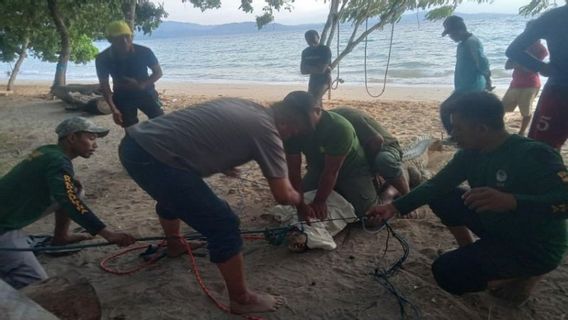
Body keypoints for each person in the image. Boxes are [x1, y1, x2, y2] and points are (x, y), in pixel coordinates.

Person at [367, 92, 568, 303]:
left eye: (458, 128)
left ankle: (522, 275)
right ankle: (469, 249)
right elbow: (436, 185)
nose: (453, 134)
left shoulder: (534, 154)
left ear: (481, 129)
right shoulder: (470, 154)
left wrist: (512, 201)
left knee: (447, 273)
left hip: (534, 246)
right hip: (498, 227)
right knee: (442, 195)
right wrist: (394, 207)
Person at [119, 97, 306, 314]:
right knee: (224, 224)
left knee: (173, 196)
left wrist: (223, 163)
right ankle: (241, 299)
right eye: (293, 132)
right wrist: (303, 201)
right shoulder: (267, 129)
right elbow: (283, 195)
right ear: (284, 123)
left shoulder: (248, 106)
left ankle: (175, 244)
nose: (289, 138)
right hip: (153, 158)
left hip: (136, 143)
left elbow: (206, 132)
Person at [0, 117, 136, 289]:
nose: (95, 145)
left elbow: (67, 193)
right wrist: (108, 234)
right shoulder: (59, 161)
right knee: (38, 287)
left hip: (7, 213)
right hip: (3, 227)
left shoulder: (48, 151)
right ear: (72, 138)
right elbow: (69, 201)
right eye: (91, 138)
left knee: (76, 190)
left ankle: (61, 238)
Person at [283, 92, 378, 222]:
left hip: (352, 169)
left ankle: (387, 188)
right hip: (318, 168)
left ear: (317, 111)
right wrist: (301, 206)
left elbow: (331, 172)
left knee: (366, 216)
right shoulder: (291, 130)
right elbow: (293, 172)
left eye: (301, 120)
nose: (297, 126)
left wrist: (319, 202)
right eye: (291, 120)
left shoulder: (338, 128)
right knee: (292, 202)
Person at [506, 3, 568, 149]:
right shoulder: (553, 17)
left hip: (559, 90)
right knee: (541, 148)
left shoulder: (553, 17)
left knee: (542, 148)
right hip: (559, 92)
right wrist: (541, 67)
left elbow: (514, 50)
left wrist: (541, 67)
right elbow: (513, 50)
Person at [331, 107, 410, 200]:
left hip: (385, 147)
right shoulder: (324, 124)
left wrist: (373, 171)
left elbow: (377, 140)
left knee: (383, 160)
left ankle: (408, 197)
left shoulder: (345, 120)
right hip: (362, 151)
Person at [96, 20, 164, 128]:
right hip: (122, 97)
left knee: (161, 122)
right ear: (110, 40)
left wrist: (142, 85)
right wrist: (114, 109)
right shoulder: (103, 58)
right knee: (131, 129)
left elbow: (158, 72)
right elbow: (105, 86)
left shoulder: (144, 52)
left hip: (147, 93)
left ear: (131, 36)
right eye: (118, 38)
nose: (124, 41)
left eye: (127, 36)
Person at [440, 15, 492, 133]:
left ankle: (454, 136)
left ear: (460, 29)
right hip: (463, 87)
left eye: (451, 33)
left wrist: (488, 81)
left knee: (445, 109)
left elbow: (483, 63)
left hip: (471, 87)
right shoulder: (463, 44)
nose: (451, 36)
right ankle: (463, 134)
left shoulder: (471, 43)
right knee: (462, 113)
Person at [502, 24, 548, 136]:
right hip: (515, 83)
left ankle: (522, 132)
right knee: (501, 108)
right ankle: (501, 129)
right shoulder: (520, 46)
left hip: (530, 84)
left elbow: (530, 68)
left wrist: (519, 61)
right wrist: (522, 62)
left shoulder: (541, 50)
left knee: (526, 112)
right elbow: (507, 65)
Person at [301, 30, 332, 102]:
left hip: (325, 80)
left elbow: (322, 70)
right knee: (311, 100)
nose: (311, 42)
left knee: (315, 99)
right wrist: (317, 67)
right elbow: (302, 71)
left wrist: (309, 68)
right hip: (313, 80)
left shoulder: (325, 50)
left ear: (318, 37)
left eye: (313, 39)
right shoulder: (305, 52)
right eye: (308, 40)